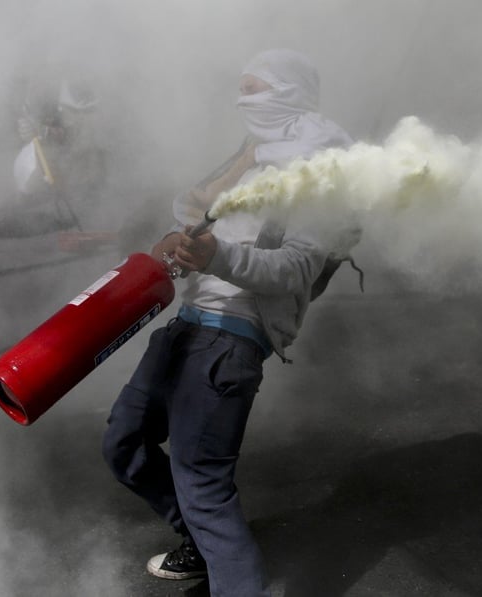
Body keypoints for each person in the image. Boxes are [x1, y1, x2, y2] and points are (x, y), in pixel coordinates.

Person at [101, 49, 356, 596]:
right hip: (186, 326)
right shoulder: (253, 157)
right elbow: (196, 216)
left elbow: (295, 268)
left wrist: (216, 257)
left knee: (204, 487)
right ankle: (198, 542)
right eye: (241, 88)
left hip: (229, 341)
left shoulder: (317, 170)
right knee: (124, 442)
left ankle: (229, 571)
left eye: (256, 88)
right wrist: (182, 243)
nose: (244, 100)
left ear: (290, 93)